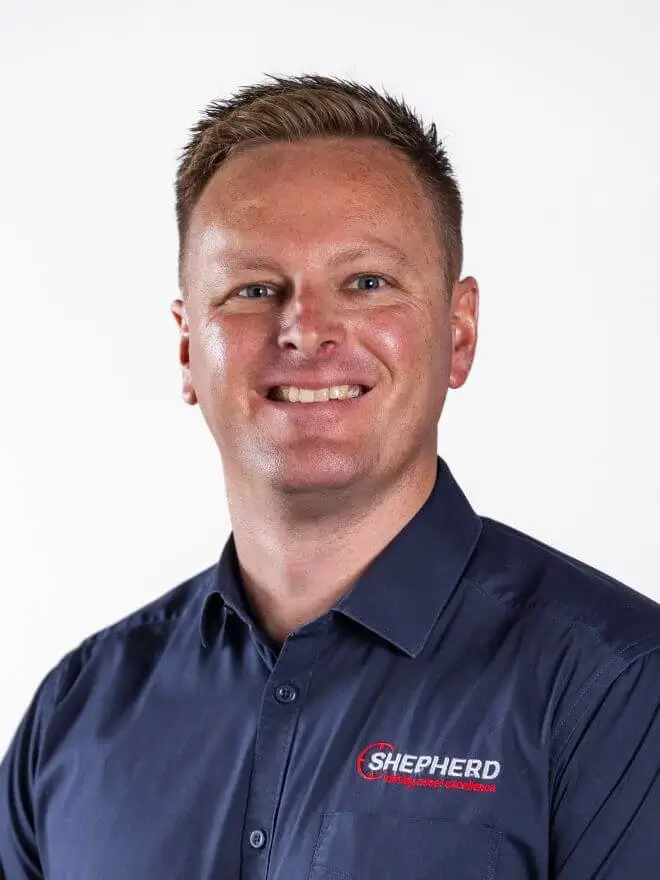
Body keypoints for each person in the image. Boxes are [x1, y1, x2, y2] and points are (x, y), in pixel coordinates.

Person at [1, 73, 658, 880]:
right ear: (187, 346)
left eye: (367, 283)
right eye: (252, 289)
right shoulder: (75, 716)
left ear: (459, 334)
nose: (305, 330)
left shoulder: (620, 691)